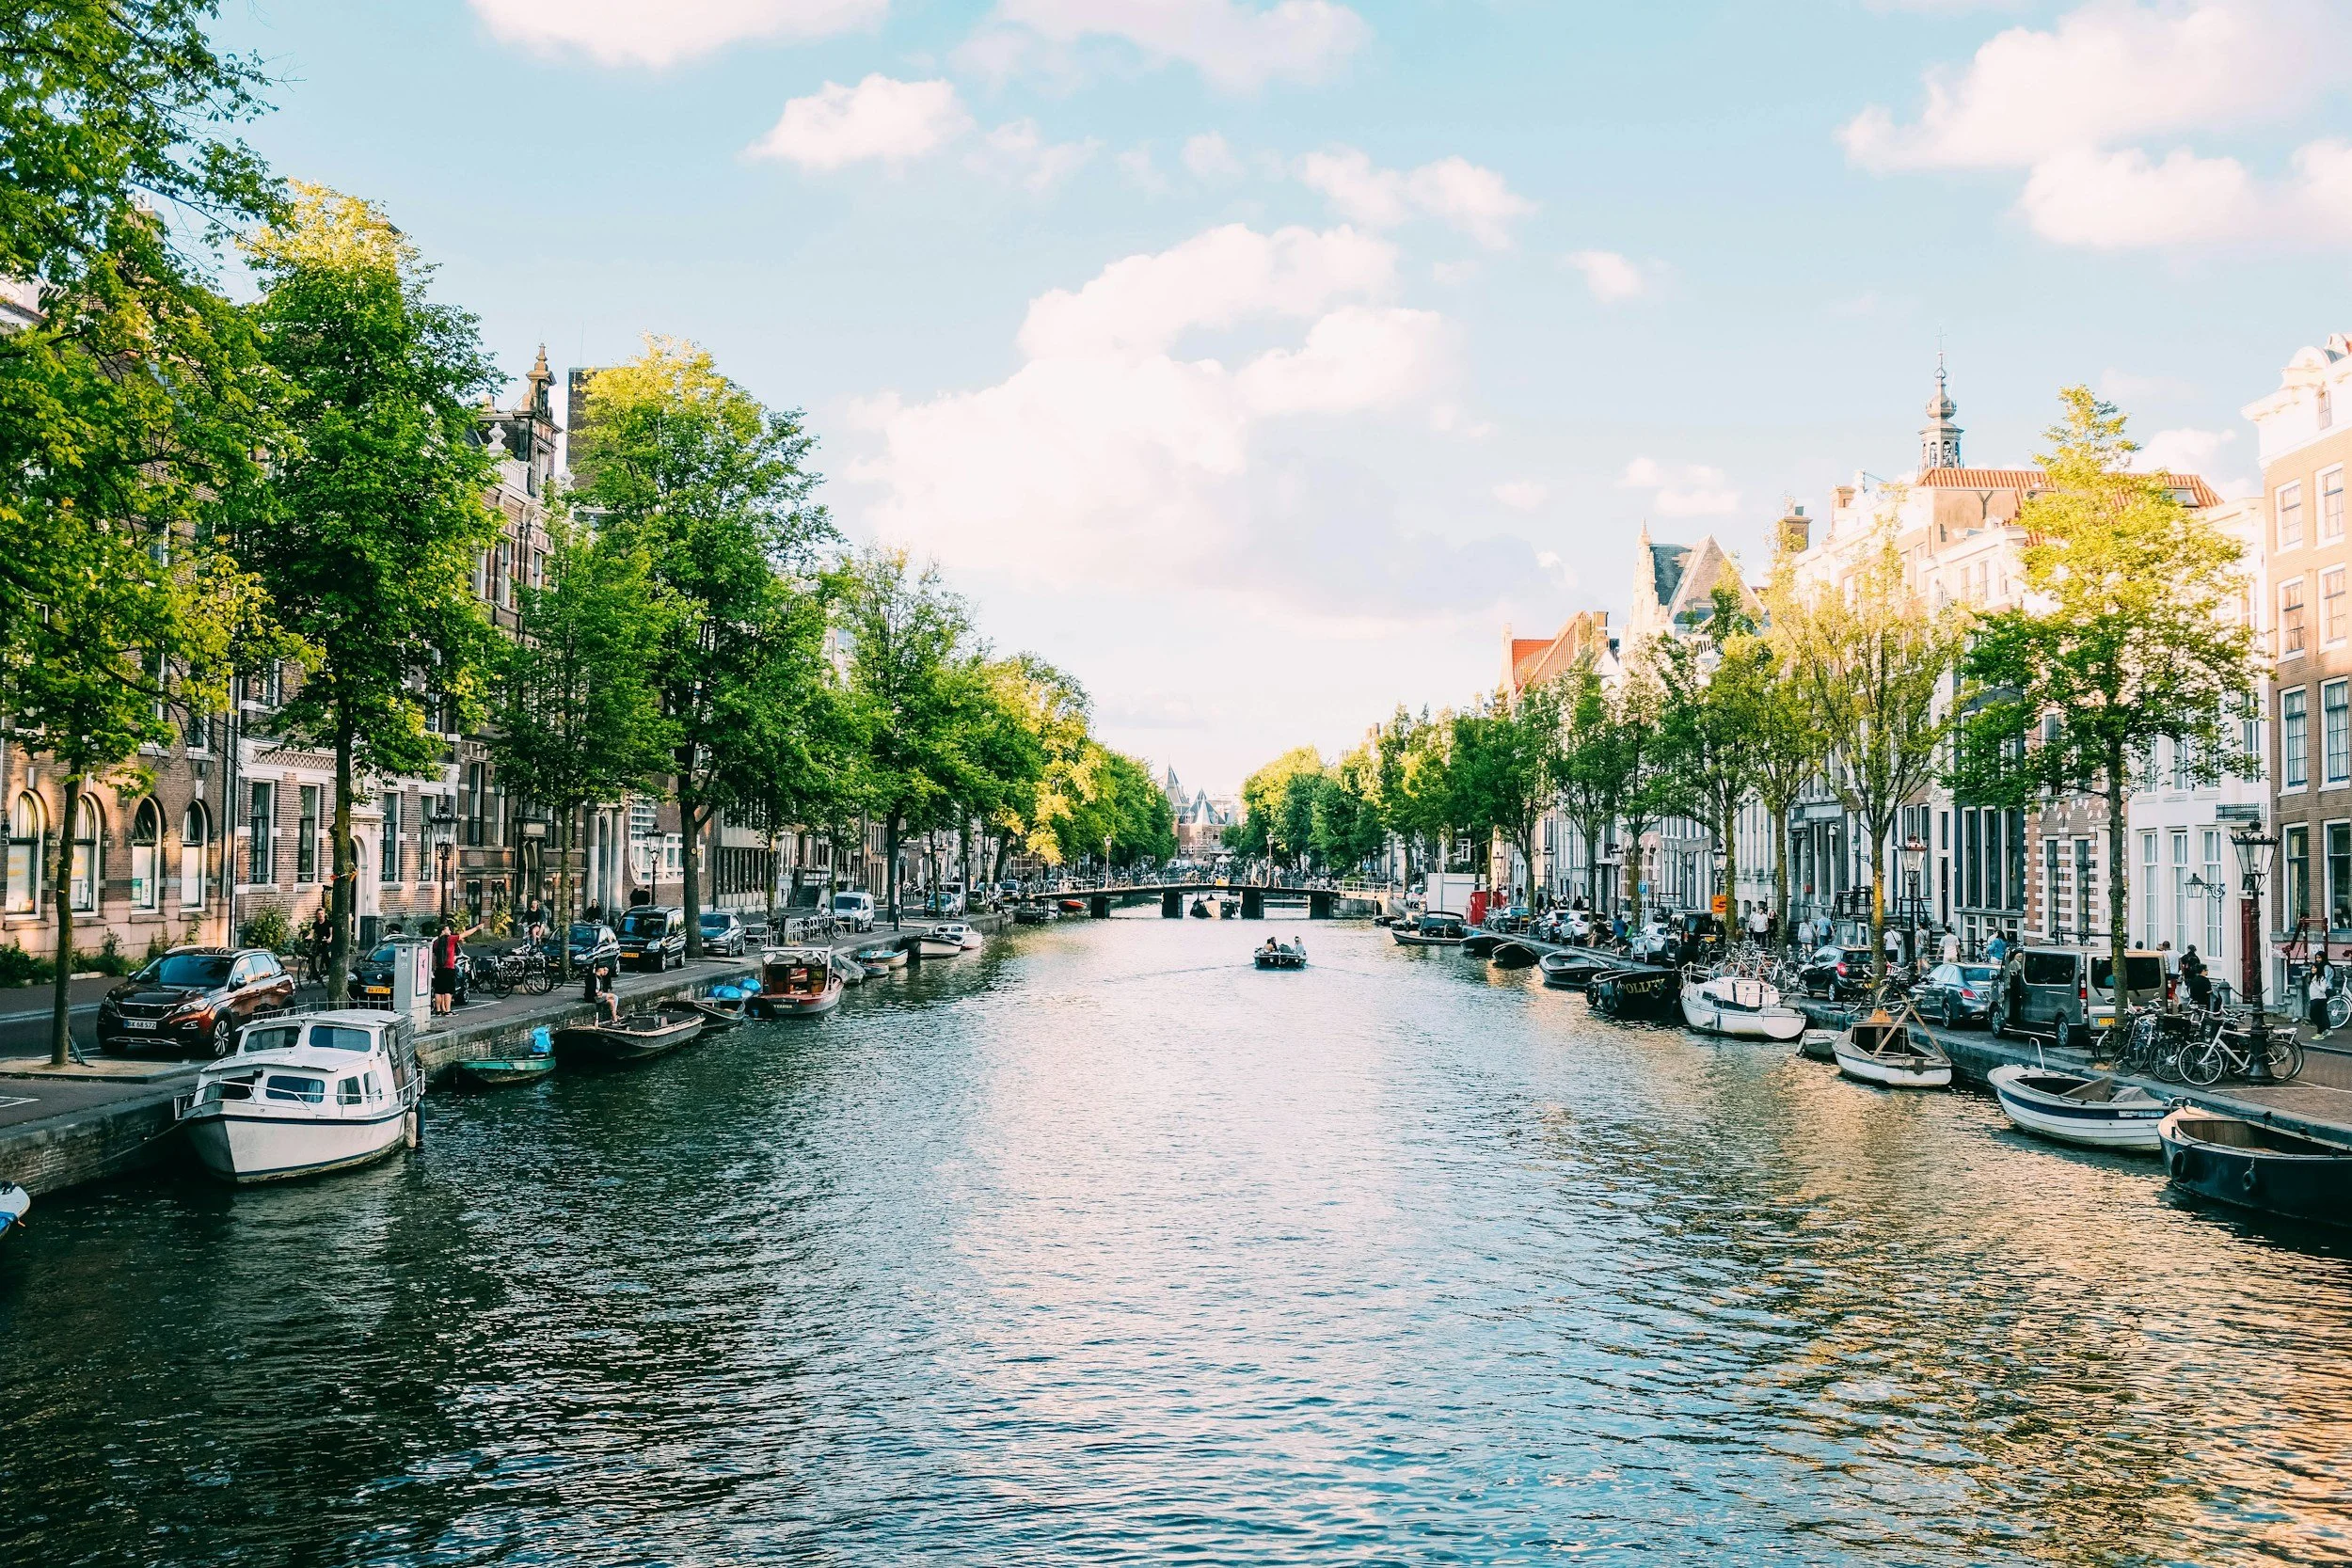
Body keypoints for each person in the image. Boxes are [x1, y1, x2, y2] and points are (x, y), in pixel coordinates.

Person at [582, 951, 620, 1023]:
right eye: (604, 970)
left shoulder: (600, 978)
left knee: (612, 1001)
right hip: (593, 997)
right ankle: (615, 1017)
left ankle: (614, 1017)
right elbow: (590, 989)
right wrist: (597, 993)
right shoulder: (593, 978)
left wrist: (600, 992)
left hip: (597, 995)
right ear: (600, 969)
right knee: (613, 997)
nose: (605, 972)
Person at [2308, 953, 2334, 1040]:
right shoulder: (2317, 970)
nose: (2318, 960)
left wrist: (2317, 983)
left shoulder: (2325, 967)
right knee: (2321, 1012)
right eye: (2317, 958)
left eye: (2319, 958)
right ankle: (2326, 1029)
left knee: (2321, 1012)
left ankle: (2324, 1029)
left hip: (2326, 990)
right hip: (2319, 993)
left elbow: (2324, 979)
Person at [2179, 944, 2211, 1008]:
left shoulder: (2185, 957)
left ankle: (2191, 999)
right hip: (2195, 975)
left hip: (2188, 975)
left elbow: (2181, 963)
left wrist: (2183, 973)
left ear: (2188, 949)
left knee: (2190, 988)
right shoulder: (2196, 958)